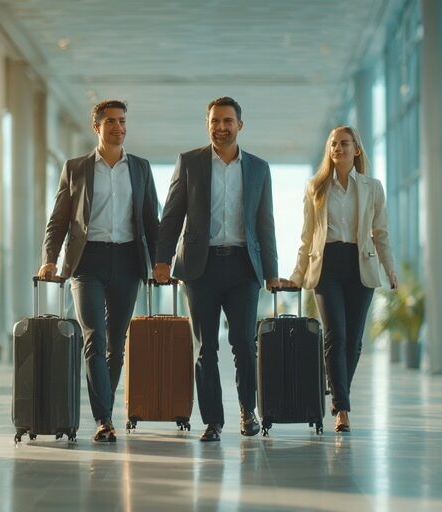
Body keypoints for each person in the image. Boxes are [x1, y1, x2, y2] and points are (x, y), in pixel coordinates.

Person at [153, 96, 280, 442]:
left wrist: (271, 272)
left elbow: (264, 222)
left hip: (243, 266)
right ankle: (213, 421)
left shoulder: (258, 168)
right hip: (199, 268)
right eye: (215, 121)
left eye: (227, 121)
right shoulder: (189, 162)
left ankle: (246, 410)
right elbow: (172, 215)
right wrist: (162, 260)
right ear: (207, 124)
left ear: (240, 124)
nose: (221, 127)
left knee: (243, 342)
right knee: (204, 346)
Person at [38, 100, 159, 443]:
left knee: (116, 343)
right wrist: (49, 258)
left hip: (127, 261)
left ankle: (103, 407)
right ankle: (104, 418)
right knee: (95, 336)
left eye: (122, 121)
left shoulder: (140, 168)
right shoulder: (76, 168)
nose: (118, 127)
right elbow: (58, 221)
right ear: (97, 127)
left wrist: (161, 262)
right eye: (110, 122)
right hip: (86, 262)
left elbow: (152, 220)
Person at [284, 125, 396, 433]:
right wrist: (297, 274)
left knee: (354, 342)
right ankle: (341, 408)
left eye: (344, 144)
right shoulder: (316, 187)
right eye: (333, 144)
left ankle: (333, 384)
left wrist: (390, 268)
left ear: (356, 149)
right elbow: (307, 236)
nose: (338, 148)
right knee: (336, 335)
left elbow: (380, 232)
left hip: (360, 264)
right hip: (327, 266)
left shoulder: (372, 187)